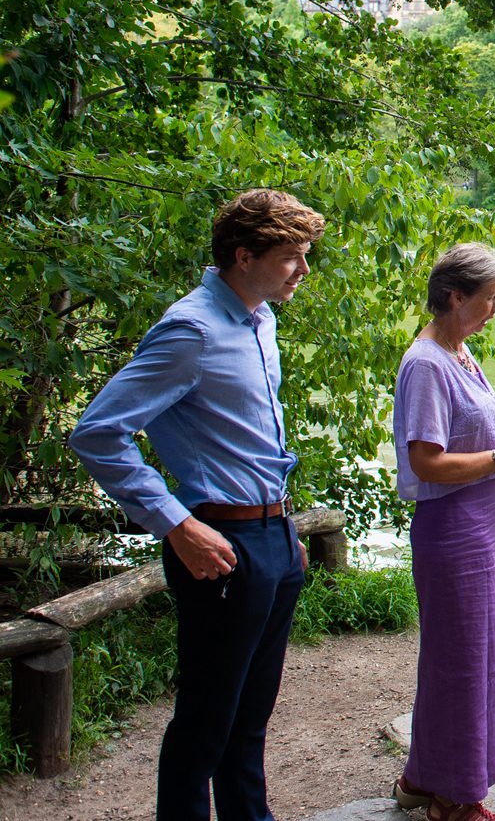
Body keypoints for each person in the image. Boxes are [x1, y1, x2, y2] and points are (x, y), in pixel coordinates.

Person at [69, 189, 324, 821]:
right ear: (243, 255)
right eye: (291, 256)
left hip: (271, 538)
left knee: (250, 718)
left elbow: (247, 441)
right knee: (205, 724)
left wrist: (279, 520)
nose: (303, 269)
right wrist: (177, 523)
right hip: (218, 545)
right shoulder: (192, 330)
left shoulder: (260, 317)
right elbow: (98, 434)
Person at [391, 244, 495, 821]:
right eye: (491, 298)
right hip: (449, 530)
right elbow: (428, 463)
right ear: (455, 296)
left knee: (475, 657)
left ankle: (423, 776)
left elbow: (477, 442)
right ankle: (454, 800)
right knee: (460, 662)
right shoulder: (426, 365)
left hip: (477, 528)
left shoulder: (460, 355)